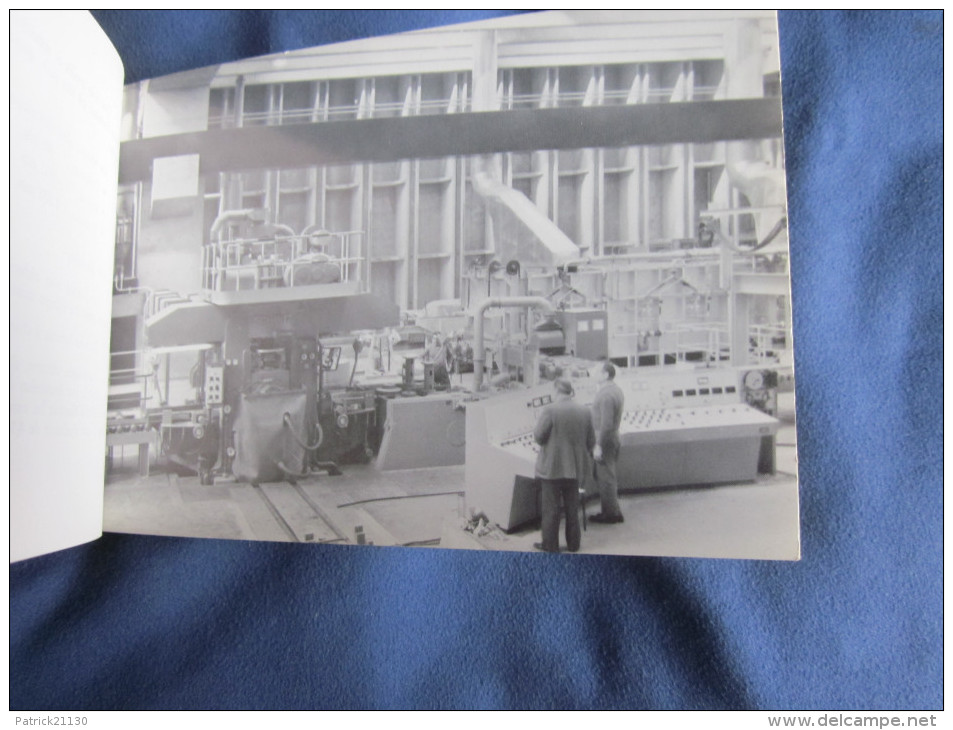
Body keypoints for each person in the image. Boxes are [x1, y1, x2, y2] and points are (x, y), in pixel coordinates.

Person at [533, 378, 596, 553]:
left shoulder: (550, 410)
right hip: (575, 469)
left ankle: (550, 546)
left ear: (556, 391)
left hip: (552, 469)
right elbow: (591, 441)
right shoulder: (585, 411)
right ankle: (574, 545)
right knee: (572, 509)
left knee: (551, 511)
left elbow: (538, 437)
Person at [589, 361, 625, 524]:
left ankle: (611, 514)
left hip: (605, 439)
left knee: (605, 477)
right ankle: (613, 510)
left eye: (597, 372)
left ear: (605, 375)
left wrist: (598, 445)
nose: (594, 374)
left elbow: (606, 424)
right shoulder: (616, 390)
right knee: (607, 475)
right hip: (613, 437)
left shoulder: (605, 395)